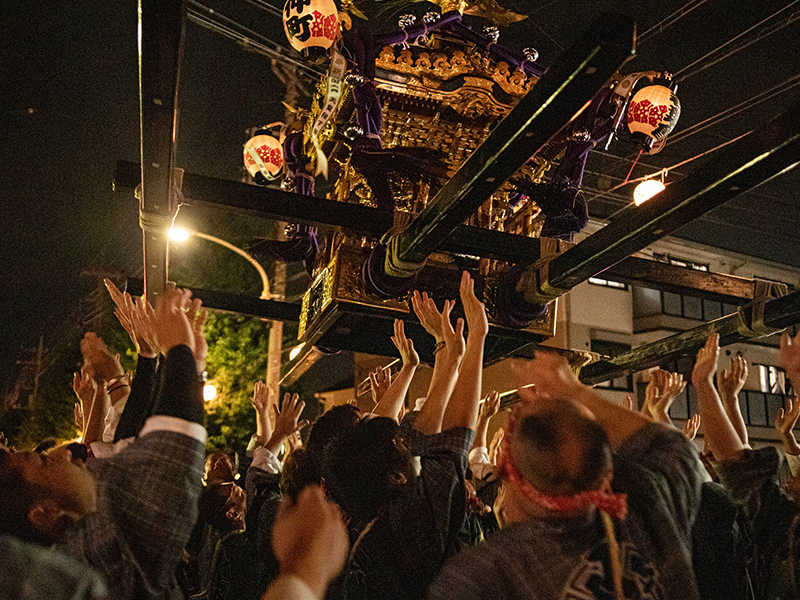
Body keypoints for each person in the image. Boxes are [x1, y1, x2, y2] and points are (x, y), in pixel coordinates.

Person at [429, 350, 706, 600]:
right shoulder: (648, 511)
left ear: (504, 466)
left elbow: (670, 448)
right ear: (608, 470)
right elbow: (671, 447)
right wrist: (576, 393)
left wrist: (572, 396)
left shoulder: (484, 577)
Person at [0, 287, 208, 600]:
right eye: (43, 462)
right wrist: (178, 350)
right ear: (44, 512)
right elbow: (168, 459)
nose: (65, 455)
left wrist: (176, 361)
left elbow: (128, 446)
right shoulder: (89, 559)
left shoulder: (83, 525)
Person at [324, 272, 487, 600]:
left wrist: (448, 351)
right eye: (398, 443)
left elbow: (425, 440)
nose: (407, 441)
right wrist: (478, 336)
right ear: (396, 476)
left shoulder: (374, 524)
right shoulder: (410, 524)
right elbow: (451, 442)